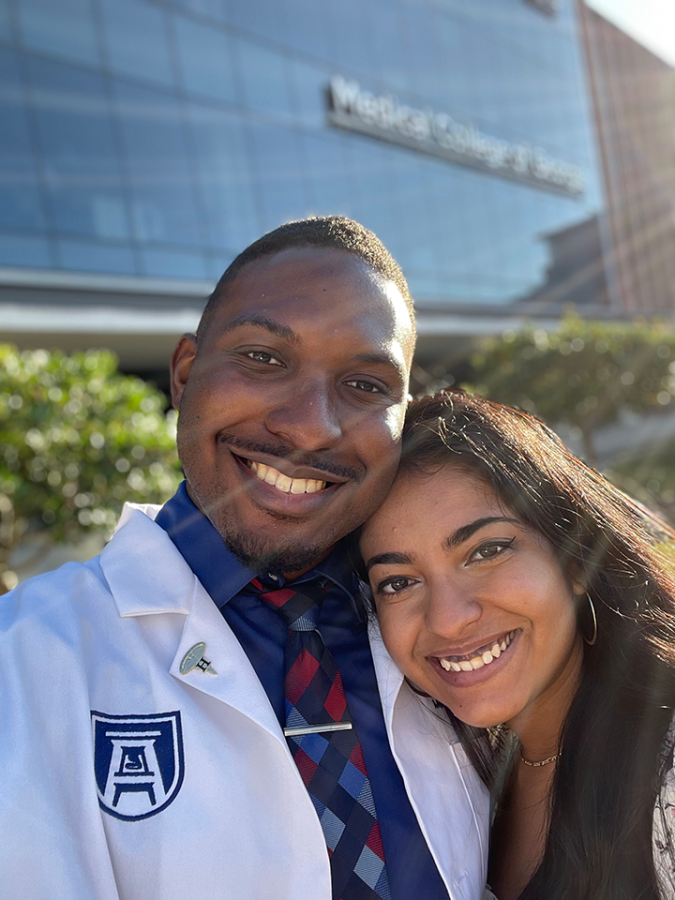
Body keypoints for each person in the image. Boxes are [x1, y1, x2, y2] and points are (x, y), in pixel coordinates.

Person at [0, 219, 489, 900]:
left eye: (365, 384)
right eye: (263, 358)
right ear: (184, 374)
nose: (312, 425)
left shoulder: (463, 634)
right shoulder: (22, 656)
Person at [360, 389, 675, 900]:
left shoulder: (664, 770)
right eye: (398, 582)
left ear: (576, 560)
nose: (448, 619)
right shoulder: (460, 773)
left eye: (486, 551)